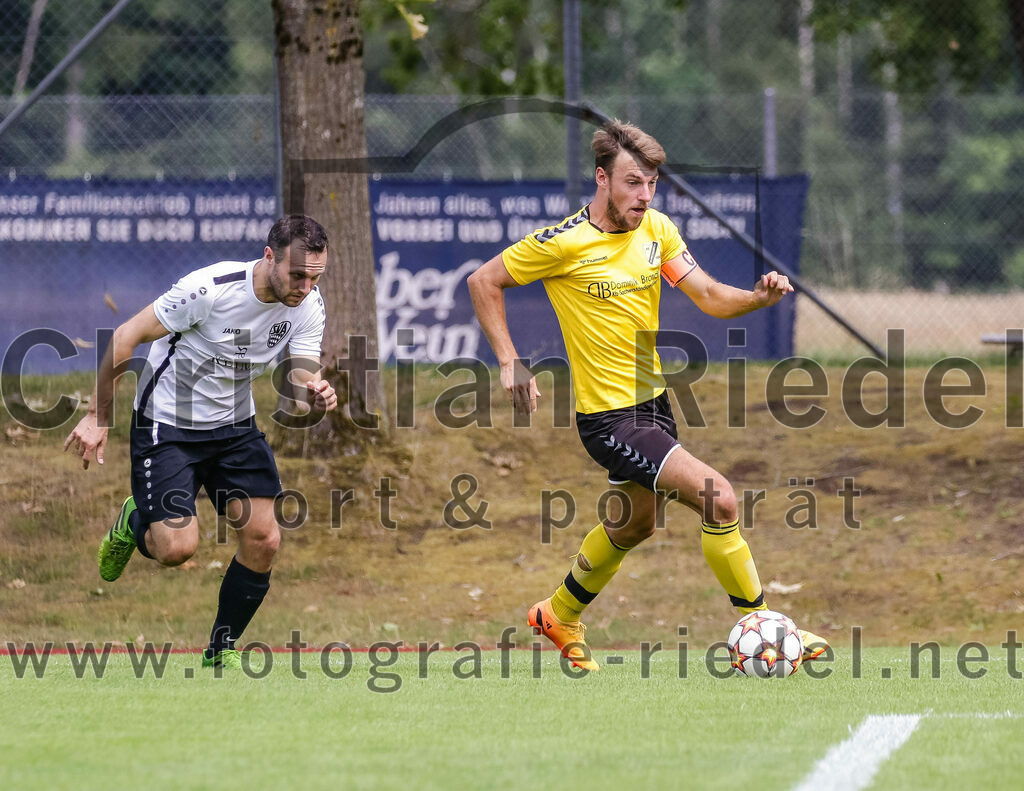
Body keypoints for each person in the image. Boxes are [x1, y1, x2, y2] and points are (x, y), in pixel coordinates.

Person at [467, 121, 828, 671]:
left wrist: (756, 298)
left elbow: (707, 294)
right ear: (602, 178)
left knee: (635, 524)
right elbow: (482, 281)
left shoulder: (657, 230)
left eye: (652, 184)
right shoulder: (564, 243)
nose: (644, 196)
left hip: (654, 406)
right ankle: (763, 624)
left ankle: (558, 614)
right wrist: (510, 361)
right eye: (633, 182)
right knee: (720, 498)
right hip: (609, 420)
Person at [64, 214, 337, 669]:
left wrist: (314, 392)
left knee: (265, 538)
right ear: (269, 256)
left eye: (315, 277)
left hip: (235, 427)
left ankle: (221, 648)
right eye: (297, 275)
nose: (305, 287)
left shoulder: (308, 304)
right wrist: (97, 416)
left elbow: (301, 376)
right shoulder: (209, 289)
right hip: (168, 423)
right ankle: (136, 521)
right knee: (176, 549)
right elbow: (125, 337)